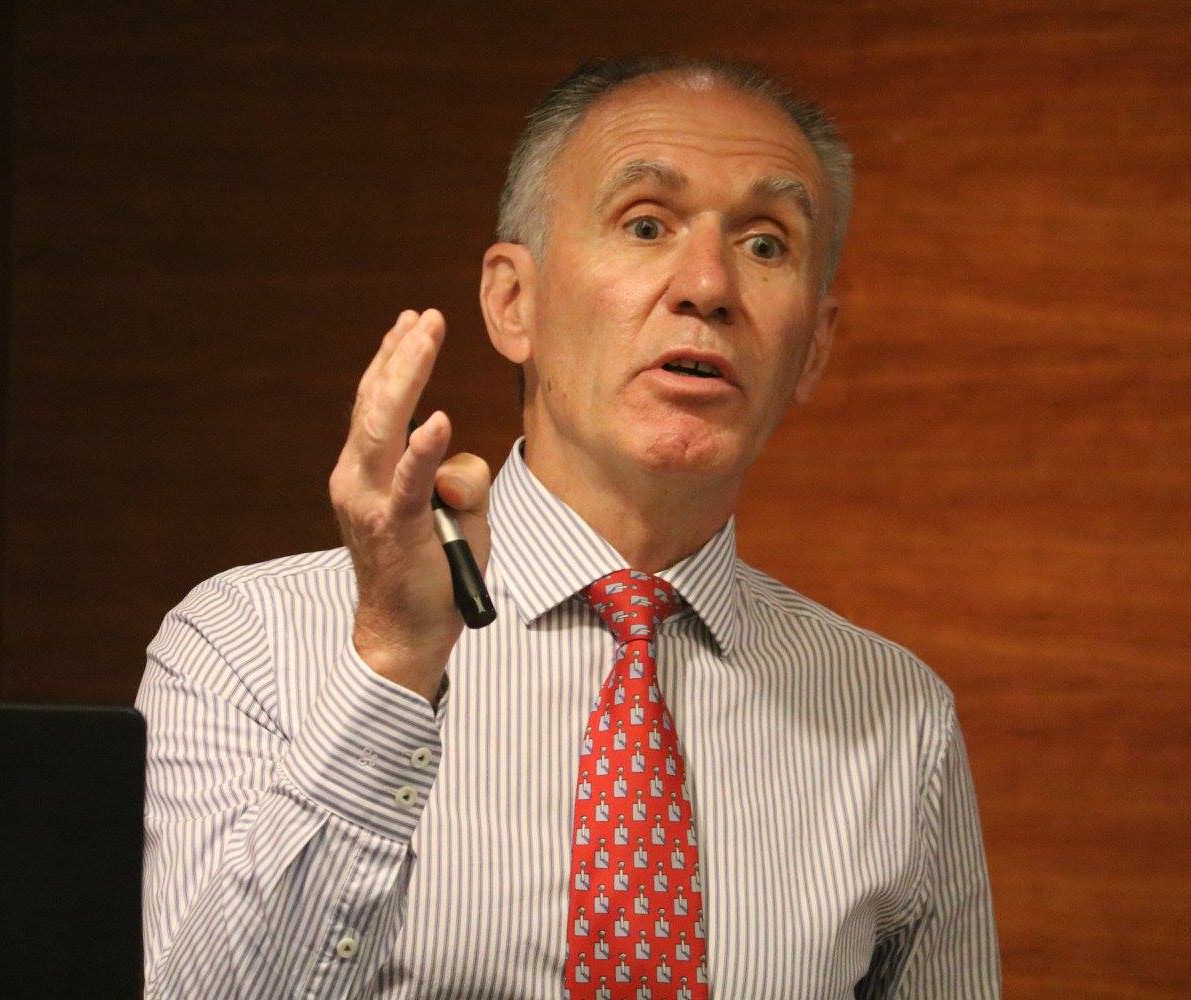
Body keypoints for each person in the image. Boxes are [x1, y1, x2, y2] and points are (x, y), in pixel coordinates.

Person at [137, 53, 1000, 998]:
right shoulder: (249, 645)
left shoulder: (895, 718)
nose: (707, 285)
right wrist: (393, 666)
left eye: (765, 244)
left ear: (815, 348)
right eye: (646, 224)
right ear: (515, 301)